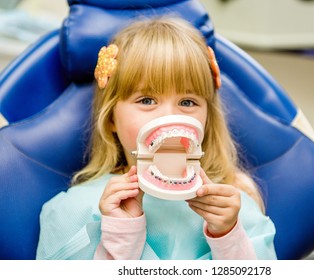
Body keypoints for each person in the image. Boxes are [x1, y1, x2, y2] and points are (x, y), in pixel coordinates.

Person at [36, 16, 277, 260]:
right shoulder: (74, 210)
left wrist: (228, 238)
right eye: (147, 100)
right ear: (110, 119)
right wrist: (120, 238)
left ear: (207, 119)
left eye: (187, 102)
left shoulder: (236, 208)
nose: (170, 117)